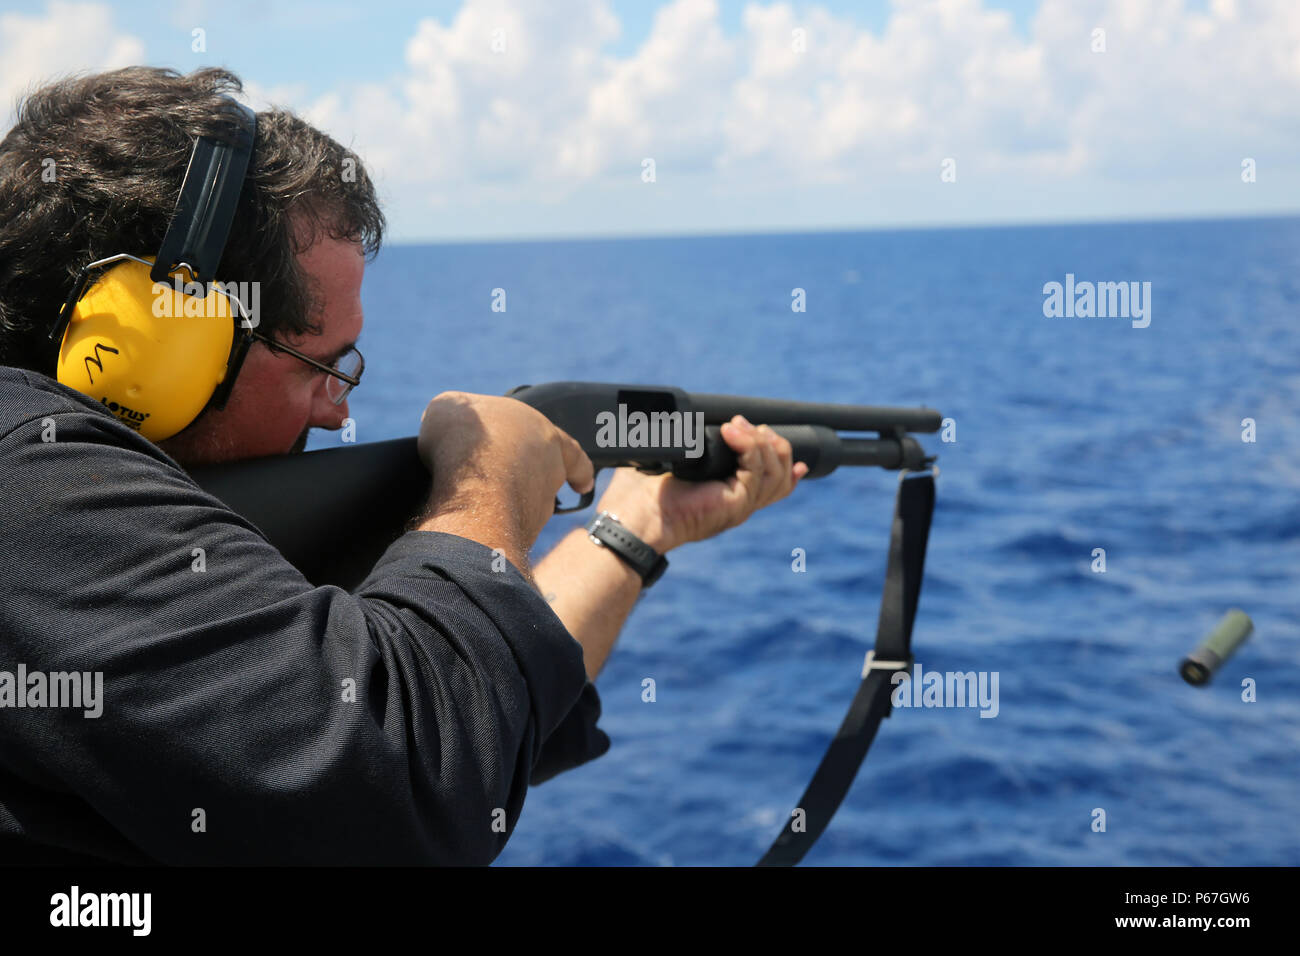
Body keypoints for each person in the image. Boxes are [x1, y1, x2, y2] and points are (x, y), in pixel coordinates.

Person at [0, 67, 807, 864]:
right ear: (157, 348)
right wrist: (484, 476)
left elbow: (470, 706)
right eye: (320, 363)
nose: (337, 408)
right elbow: (402, 777)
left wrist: (633, 531)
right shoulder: (29, 483)